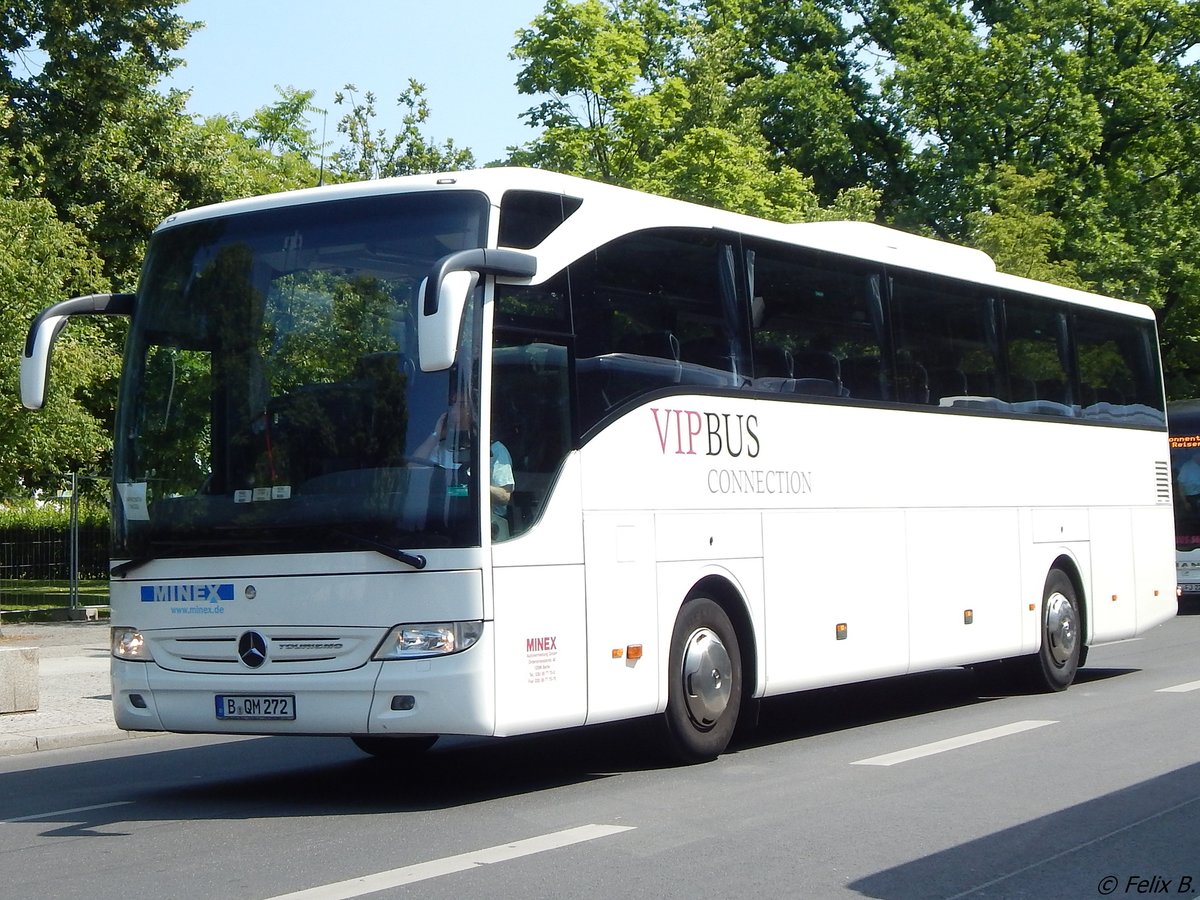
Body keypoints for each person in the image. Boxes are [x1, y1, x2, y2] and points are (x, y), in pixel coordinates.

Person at [414, 393, 515, 538]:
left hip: (485, 531)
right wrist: (436, 435)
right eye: (452, 405)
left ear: (474, 412)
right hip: (441, 527)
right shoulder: (440, 448)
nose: (454, 411)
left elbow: (504, 496)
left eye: (461, 405)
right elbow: (412, 469)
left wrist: (469, 485)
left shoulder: (494, 450)